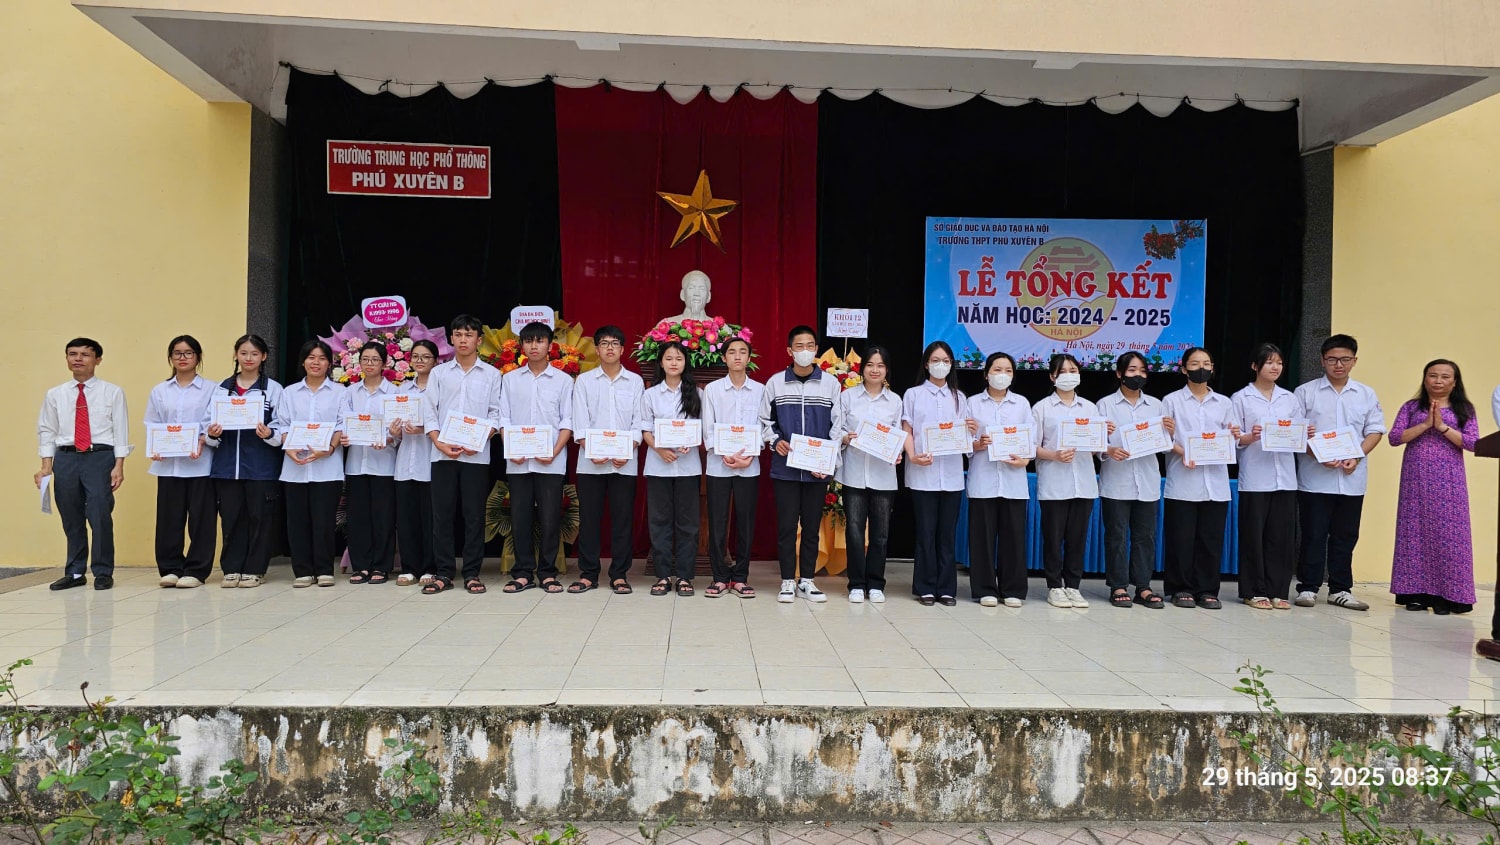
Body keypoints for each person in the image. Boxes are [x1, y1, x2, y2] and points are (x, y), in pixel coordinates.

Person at [1294, 334, 1385, 611]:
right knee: (1313, 534)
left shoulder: (1366, 394)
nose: (1338, 365)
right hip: (1314, 478)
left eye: (1345, 359)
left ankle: (1340, 589)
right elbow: (1295, 433)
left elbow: (1375, 430)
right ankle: (1308, 587)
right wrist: (1317, 455)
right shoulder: (1305, 392)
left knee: (1346, 536)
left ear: (1354, 361)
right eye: (1332, 359)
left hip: (1351, 478)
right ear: (1322, 361)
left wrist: (1356, 456)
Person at [36, 337, 131, 591]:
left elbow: (121, 429)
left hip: (99, 457)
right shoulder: (55, 394)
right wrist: (46, 466)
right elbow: (47, 430)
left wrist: (119, 465)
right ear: (67, 358)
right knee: (70, 515)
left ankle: (102, 571)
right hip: (66, 458)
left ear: (98, 360)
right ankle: (76, 571)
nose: (78, 359)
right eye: (72, 354)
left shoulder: (112, 392)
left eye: (85, 354)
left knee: (99, 513)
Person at [760, 325, 844, 603]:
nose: (805, 351)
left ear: (816, 349)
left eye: (810, 345)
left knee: (811, 527)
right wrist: (775, 441)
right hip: (785, 469)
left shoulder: (831, 384)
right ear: (789, 350)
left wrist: (828, 462)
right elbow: (764, 421)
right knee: (786, 527)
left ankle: (807, 580)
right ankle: (787, 580)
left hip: (817, 470)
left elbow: (837, 426)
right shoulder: (775, 383)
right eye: (799, 346)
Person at [1389, 359, 1479, 615]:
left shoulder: (1465, 409)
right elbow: (1394, 438)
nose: (1438, 381)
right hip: (1415, 480)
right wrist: (1425, 424)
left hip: (1450, 482)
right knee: (1413, 532)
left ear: (1455, 381)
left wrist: (1441, 427)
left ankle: (1448, 595)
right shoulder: (1411, 407)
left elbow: (1473, 443)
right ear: (1425, 378)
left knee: (1450, 535)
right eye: (1433, 375)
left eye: (1445, 376)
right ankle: (1415, 593)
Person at [422, 314, 504, 595]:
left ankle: (471, 573)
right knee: (442, 516)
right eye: (458, 334)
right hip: (442, 455)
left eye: (469, 335)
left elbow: (496, 414)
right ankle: (444, 572)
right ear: (451, 339)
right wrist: (438, 442)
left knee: (473, 516)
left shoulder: (492, 375)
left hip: (476, 456)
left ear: (479, 340)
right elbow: (429, 411)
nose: (463, 339)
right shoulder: (439, 373)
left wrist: (480, 439)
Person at [1161, 347, 1240, 609]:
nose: (1201, 368)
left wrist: (1233, 436)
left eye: (1206, 363)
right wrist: (1183, 452)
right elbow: (1162, 439)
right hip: (1183, 479)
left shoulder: (1224, 403)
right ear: (1184, 369)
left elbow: (1231, 439)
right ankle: (1180, 588)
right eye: (1195, 364)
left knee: (1210, 539)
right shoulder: (1171, 401)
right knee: (1180, 539)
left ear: (1213, 369)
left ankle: (1207, 589)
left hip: (1215, 483)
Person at [499, 322, 574, 595]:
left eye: (540, 341)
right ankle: (522, 573)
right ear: (521, 346)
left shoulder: (564, 381)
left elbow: (568, 421)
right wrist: (511, 448)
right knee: (520, 517)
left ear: (550, 346)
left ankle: (547, 573)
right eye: (529, 341)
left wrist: (554, 451)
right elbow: (503, 418)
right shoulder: (510, 379)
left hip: (550, 461)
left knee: (550, 518)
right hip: (518, 461)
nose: (534, 346)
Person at [570, 325, 644, 596]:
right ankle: (588, 574)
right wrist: (592, 449)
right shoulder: (584, 381)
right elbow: (580, 421)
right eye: (604, 343)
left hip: (625, 463)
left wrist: (627, 449)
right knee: (589, 519)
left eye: (615, 343)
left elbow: (639, 422)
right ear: (597, 349)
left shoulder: (635, 382)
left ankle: (619, 574)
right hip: (591, 462)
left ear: (622, 349)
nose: (610, 348)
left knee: (622, 520)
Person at [205, 334, 283, 589]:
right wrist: (212, 433)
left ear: (264, 356)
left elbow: (283, 425)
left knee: (260, 518)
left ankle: (255, 569)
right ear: (236, 355)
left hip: (261, 466)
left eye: (254, 354)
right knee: (231, 518)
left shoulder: (273, 389)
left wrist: (269, 433)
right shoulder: (222, 388)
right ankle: (232, 569)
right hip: (227, 467)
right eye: (243, 353)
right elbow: (208, 424)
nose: (249, 358)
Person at [902, 340, 975, 607]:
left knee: (946, 534)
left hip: (952, 475)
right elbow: (907, 430)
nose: (940, 365)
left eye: (945, 361)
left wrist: (971, 431)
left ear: (951, 364)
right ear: (926, 364)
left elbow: (966, 437)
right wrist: (912, 456)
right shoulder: (913, 394)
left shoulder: (959, 397)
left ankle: (946, 588)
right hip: (923, 473)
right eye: (935, 360)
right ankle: (925, 587)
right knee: (925, 533)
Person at [1231, 343, 1302, 610]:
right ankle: (1253, 591)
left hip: (1285, 477)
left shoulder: (1289, 398)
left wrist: (1304, 433)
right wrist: (1251, 436)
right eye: (1269, 362)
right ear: (1255, 366)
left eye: (1279, 363)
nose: (1275, 367)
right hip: (1255, 477)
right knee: (1254, 536)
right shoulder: (1241, 398)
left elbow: (1298, 432)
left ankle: (1278, 590)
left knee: (1281, 537)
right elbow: (1234, 438)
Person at [1096, 351, 1168, 609]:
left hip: (1147, 480)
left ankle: (1143, 587)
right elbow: (1094, 442)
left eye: (1142, 371)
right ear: (1119, 374)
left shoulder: (1157, 406)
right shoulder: (1104, 405)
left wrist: (1168, 433)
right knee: (1116, 536)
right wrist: (1108, 449)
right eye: (1132, 370)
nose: (1138, 375)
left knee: (1145, 536)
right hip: (1116, 480)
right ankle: (1118, 586)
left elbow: (1165, 445)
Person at [145, 335, 216, 589]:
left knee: (201, 520)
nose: (182, 358)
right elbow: (152, 423)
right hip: (168, 465)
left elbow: (213, 423)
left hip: (200, 464)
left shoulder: (212, 389)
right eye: (177, 353)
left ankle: (196, 570)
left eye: (188, 353)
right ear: (170, 358)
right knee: (168, 519)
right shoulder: (160, 390)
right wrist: (156, 445)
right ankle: (170, 568)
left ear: (198, 357)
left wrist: (203, 440)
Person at [273, 339, 344, 588]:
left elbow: (341, 424)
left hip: (328, 468)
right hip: (295, 467)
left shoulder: (340, 392)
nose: (316, 362)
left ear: (329, 364)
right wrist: (288, 447)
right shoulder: (289, 393)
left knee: (324, 521)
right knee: (297, 522)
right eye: (311, 357)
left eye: (322, 358)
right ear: (303, 362)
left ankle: (324, 570)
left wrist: (330, 448)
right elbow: (281, 424)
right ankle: (302, 570)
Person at [1033, 353, 1101, 609]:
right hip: (1054, 482)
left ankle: (1073, 586)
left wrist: (1100, 436)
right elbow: (1031, 446)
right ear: (1052, 377)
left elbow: (1095, 449)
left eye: (1074, 370)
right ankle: (1054, 586)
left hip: (1083, 482)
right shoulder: (1041, 408)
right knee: (1053, 538)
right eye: (1063, 372)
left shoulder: (1090, 408)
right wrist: (1055, 455)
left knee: (1077, 539)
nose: (1070, 376)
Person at [966, 351, 1031, 608]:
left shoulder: (1022, 404)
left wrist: (1024, 459)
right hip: (983, 480)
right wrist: (978, 444)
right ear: (986, 374)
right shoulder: (972, 403)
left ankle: (1012, 589)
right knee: (982, 538)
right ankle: (984, 588)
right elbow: (964, 442)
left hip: (1014, 481)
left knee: (1013, 537)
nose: (1002, 375)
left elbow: (1030, 440)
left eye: (1008, 371)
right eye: (997, 369)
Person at [837, 345, 901, 604]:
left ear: (887, 370)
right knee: (854, 531)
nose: (875, 370)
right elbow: (836, 429)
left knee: (880, 534)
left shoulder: (895, 401)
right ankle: (856, 583)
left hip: (883, 475)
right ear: (862, 368)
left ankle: (875, 583)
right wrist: (845, 437)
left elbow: (899, 435)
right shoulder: (848, 397)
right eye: (870, 365)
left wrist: (897, 451)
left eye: (880, 365)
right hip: (853, 473)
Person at [640, 342, 704, 596]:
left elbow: (702, 427)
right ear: (661, 362)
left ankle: (685, 577)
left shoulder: (697, 393)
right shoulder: (651, 394)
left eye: (678, 358)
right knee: (659, 521)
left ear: (685, 362)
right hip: (658, 466)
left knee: (688, 524)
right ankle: (663, 576)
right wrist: (659, 449)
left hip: (688, 467)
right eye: (669, 358)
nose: (674, 363)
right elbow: (645, 428)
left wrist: (692, 442)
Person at [701, 337, 764, 598]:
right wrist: (724, 452)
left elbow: (765, 427)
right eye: (732, 352)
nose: (737, 356)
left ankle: (740, 577)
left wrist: (750, 454)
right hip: (719, 465)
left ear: (749, 357)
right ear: (724, 358)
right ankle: (719, 577)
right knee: (718, 521)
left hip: (749, 466)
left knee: (745, 522)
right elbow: (708, 427)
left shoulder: (761, 390)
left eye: (742, 352)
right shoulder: (712, 390)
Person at [340, 341, 399, 585]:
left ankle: (381, 566)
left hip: (384, 464)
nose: (370, 364)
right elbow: (343, 422)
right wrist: (343, 436)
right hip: (356, 463)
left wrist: (389, 438)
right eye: (365, 359)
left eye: (375, 360)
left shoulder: (394, 393)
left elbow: (398, 428)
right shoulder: (350, 392)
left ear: (384, 363)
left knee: (383, 518)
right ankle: (361, 565)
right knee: (358, 517)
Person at [393, 340, 438, 587]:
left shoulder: (439, 389)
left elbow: (445, 423)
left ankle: (430, 567)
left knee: (430, 519)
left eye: (426, 357)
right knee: (406, 518)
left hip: (430, 461)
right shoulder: (402, 391)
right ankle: (409, 567)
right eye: (416, 357)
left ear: (435, 361)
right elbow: (393, 433)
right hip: (404, 463)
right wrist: (393, 431)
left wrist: (425, 429)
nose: (420, 361)